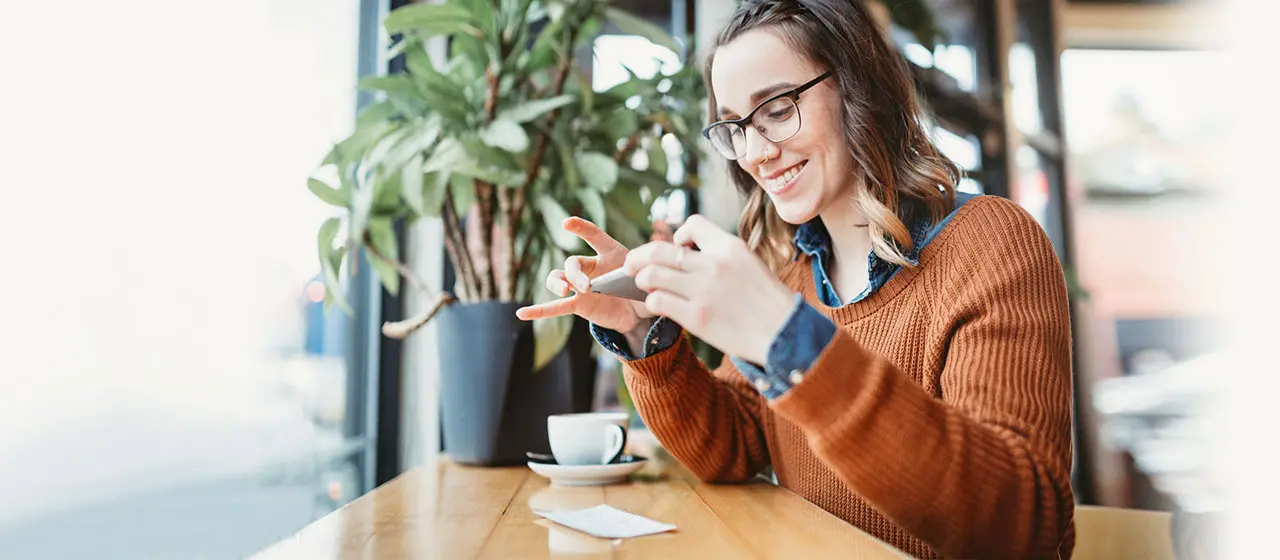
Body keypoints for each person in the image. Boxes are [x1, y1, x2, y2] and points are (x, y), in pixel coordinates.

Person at [516, 0, 1075, 557]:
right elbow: (732, 446)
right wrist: (645, 337)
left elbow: (1020, 523)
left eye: (778, 109)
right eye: (735, 127)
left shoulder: (990, 243)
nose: (755, 153)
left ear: (859, 89)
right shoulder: (792, 278)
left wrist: (789, 339)